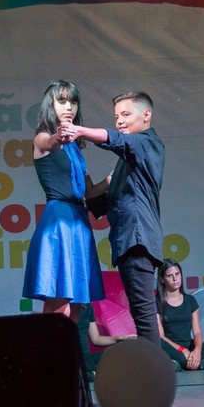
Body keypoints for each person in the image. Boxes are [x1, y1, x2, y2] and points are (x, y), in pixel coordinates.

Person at [62, 91, 165, 345]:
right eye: (117, 116)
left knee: (144, 316)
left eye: (126, 114)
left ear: (146, 115)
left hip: (137, 240)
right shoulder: (126, 162)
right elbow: (96, 198)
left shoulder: (147, 143)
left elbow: (115, 139)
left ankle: (154, 367)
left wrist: (79, 131)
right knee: (140, 314)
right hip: (129, 242)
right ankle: (150, 365)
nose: (119, 121)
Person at [22, 80, 105, 323]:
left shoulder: (76, 149)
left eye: (73, 101)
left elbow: (90, 192)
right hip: (59, 222)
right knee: (60, 303)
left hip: (79, 222)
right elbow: (50, 142)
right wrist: (60, 136)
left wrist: (117, 175)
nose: (69, 107)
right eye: (62, 101)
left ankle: (69, 347)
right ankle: (50, 348)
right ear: (50, 105)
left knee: (77, 306)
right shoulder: (43, 137)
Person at [156, 259, 204, 370]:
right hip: (170, 348)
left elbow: (197, 332)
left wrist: (197, 351)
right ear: (162, 279)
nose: (175, 279)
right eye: (170, 276)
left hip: (189, 348)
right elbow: (161, 336)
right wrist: (181, 350)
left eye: (177, 274)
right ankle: (200, 365)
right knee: (157, 342)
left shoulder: (190, 300)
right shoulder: (156, 303)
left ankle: (181, 364)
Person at [76, 304, 136, 380]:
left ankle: (92, 374)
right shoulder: (63, 307)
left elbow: (96, 339)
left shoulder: (87, 305)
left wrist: (121, 338)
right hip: (73, 355)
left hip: (87, 357)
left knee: (124, 351)